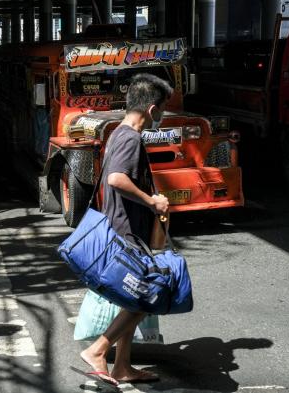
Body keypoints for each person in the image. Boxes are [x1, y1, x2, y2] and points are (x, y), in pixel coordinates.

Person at [79, 73, 171, 385]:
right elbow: (117, 179)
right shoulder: (131, 137)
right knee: (145, 298)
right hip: (126, 232)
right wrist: (152, 202)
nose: (161, 118)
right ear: (152, 110)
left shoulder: (119, 132)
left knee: (129, 300)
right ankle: (98, 350)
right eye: (162, 111)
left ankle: (122, 366)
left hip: (122, 228)